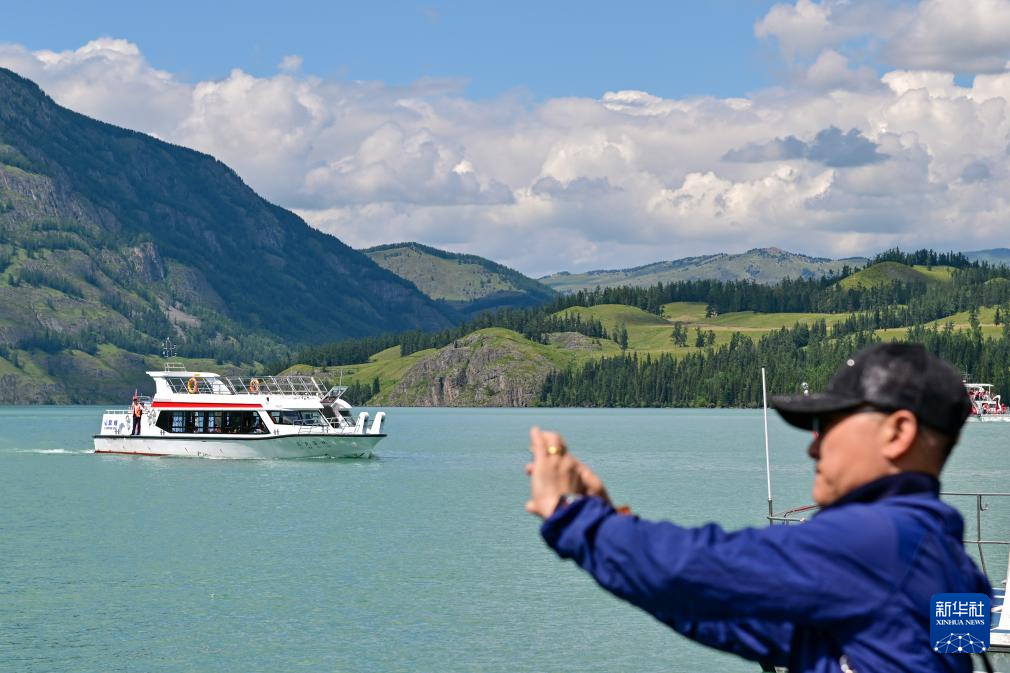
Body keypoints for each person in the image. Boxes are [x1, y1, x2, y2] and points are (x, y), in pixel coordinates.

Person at [525, 343, 990, 673]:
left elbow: (699, 568)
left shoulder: (878, 542)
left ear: (897, 433)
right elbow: (724, 611)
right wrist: (611, 518)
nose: (813, 447)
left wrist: (571, 516)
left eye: (827, 424)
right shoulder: (951, 564)